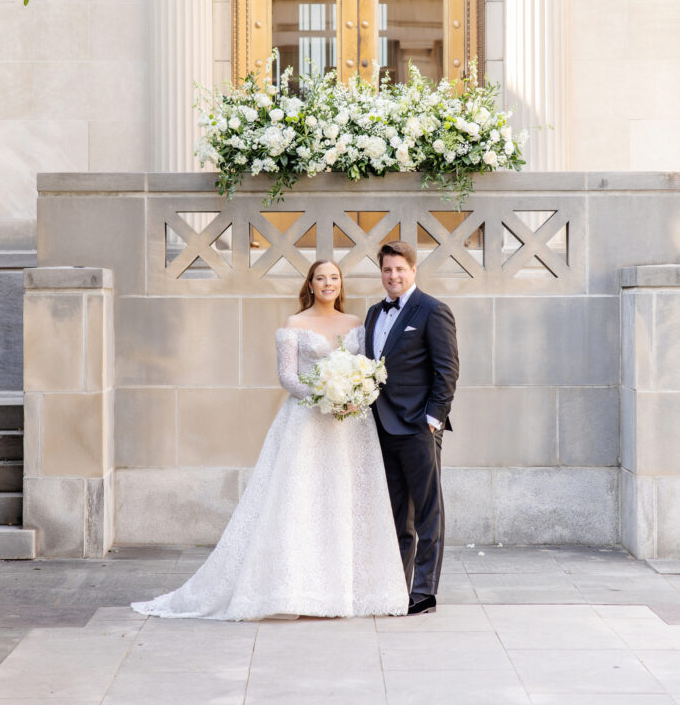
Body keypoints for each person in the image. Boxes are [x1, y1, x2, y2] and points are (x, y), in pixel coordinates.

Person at [131, 259, 409, 621]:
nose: (328, 284)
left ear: (341, 284)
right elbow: (287, 377)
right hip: (306, 422)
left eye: (334, 278)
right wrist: (325, 394)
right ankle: (296, 590)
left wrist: (352, 395)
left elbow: (367, 370)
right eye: (321, 278)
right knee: (301, 501)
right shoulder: (294, 325)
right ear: (310, 284)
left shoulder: (358, 324)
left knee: (344, 501)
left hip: (350, 428)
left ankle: (343, 591)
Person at [365, 240, 459, 616]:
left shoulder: (433, 310)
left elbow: (447, 370)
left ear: (413, 270)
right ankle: (397, 587)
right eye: (387, 270)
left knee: (427, 513)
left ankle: (423, 593)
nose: (393, 276)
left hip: (419, 428)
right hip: (381, 427)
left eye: (400, 269)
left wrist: (432, 420)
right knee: (395, 513)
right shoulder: (374, 313)